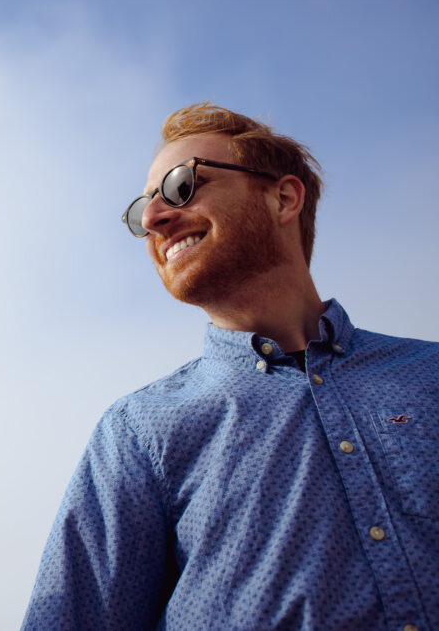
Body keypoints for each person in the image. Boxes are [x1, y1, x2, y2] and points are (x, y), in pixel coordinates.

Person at [22, 103, 438, 630]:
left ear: (283, 197)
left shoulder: (432, 375)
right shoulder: (140, 430)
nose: (153, 220)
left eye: (181, 186)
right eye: (141, 210)